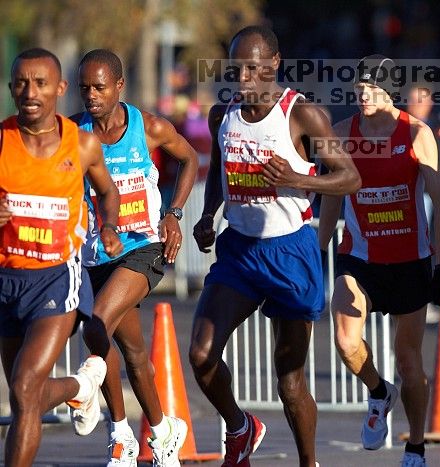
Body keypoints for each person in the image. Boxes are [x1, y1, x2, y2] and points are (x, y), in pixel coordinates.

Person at [188, 26, 360, 467]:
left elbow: (350, 177)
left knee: (289, 383)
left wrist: (296, 179)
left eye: (253, 69)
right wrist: (209, 216)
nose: (243, 78)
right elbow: (220, 180)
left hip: (290, 252)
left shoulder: (302, 116)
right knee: (202, 354)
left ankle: (309, 462)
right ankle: (240, 427)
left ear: (274, 64)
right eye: (236, 69)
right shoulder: (221, 116)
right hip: (241, 251)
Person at [318, 55, 440, 467]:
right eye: (359, 89)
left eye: (372, 89)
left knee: (409, 361)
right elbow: (330, 201)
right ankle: (378, 392)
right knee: (345, 340)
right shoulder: (343, 134)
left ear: (390, 91)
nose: (363, 96)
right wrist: (313, 254)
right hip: (358, 255)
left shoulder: (416, 133)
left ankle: (415, 445)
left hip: (410, 258)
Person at [72, 49, 199, 466]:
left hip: (143, 246)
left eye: (100, 87)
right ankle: (152, 433)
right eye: (85, 87)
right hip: (98, 251)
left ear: (119, 86)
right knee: (134, 353)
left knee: (96, 323)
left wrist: (174, 214)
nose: (91, 95)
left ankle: (83, 391)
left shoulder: (150, 127)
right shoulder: (75, 134)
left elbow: (190, 159)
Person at [0, 48, 122, 467]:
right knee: (25, 403)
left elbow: (107, 192)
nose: (29, 92)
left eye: (40, 83)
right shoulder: (1, 140)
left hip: (57, 278)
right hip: (7, 279)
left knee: (23, 386)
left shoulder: (82, 143)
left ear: (59, 88)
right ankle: (79, 387)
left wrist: (108, 226)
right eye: (20, 82)